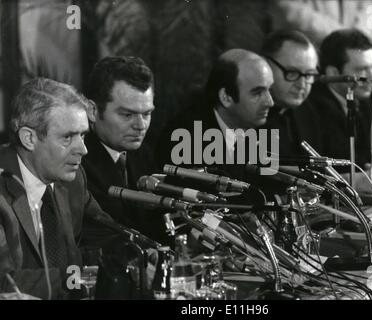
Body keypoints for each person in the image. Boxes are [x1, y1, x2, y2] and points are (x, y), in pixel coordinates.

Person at [0, 78, 115, 299]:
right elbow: (6, 281)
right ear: (29, 138)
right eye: (68, 137)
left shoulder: (73, 180)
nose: (83, 150)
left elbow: (108, 235)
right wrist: (78, 279)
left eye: (82, 135)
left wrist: (142, 258)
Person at [303, 28, 372, 192]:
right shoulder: (312, 106)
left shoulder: (363, 97)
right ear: (333, 73)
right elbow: (337, 160)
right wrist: (366, 178)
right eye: (361, 69)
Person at [82, 56, 169, 245]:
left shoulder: (144, 154)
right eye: (127, 115)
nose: (140, 126)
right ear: (93, 111)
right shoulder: (77, 161)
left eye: (147, 114)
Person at [157, 49, 275, 177]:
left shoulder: (267, 126)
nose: (270, 102)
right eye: (257, 93)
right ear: (226, 97)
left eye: (269, 90)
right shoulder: (184, 140)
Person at [261, 29, 323, 160]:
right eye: (292, 72)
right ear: (265, 64)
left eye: (309, 74)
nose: (301, 84)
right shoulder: (244, 114)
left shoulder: (309, 111)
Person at [270, 0, 372, 46]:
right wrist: (349, 37)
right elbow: (289, 12)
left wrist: (362, 38)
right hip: (306, 61)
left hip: (354, 58)